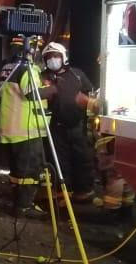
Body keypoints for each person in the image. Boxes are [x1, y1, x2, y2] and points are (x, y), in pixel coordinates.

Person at [0, 36, 55, 217]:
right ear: (29, 49)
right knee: (30, 170)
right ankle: (24, 207)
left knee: (17, 171)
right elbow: (32, 94)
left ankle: (18, 203)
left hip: (12, 128)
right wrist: (54, 89)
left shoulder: (8, 67)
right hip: (26, 130)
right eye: (36, 48)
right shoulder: (26, 69)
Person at [40, 41, 97, 202]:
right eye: (49, 57)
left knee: (82, 158)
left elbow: (90, 95)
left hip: (78, 125)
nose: (52, 60)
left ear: (63, 57)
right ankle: (63, 193)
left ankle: (84, 191)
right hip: (56, 127)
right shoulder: (42, 77)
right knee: (59, 161)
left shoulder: (77, 74)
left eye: (56, 56)